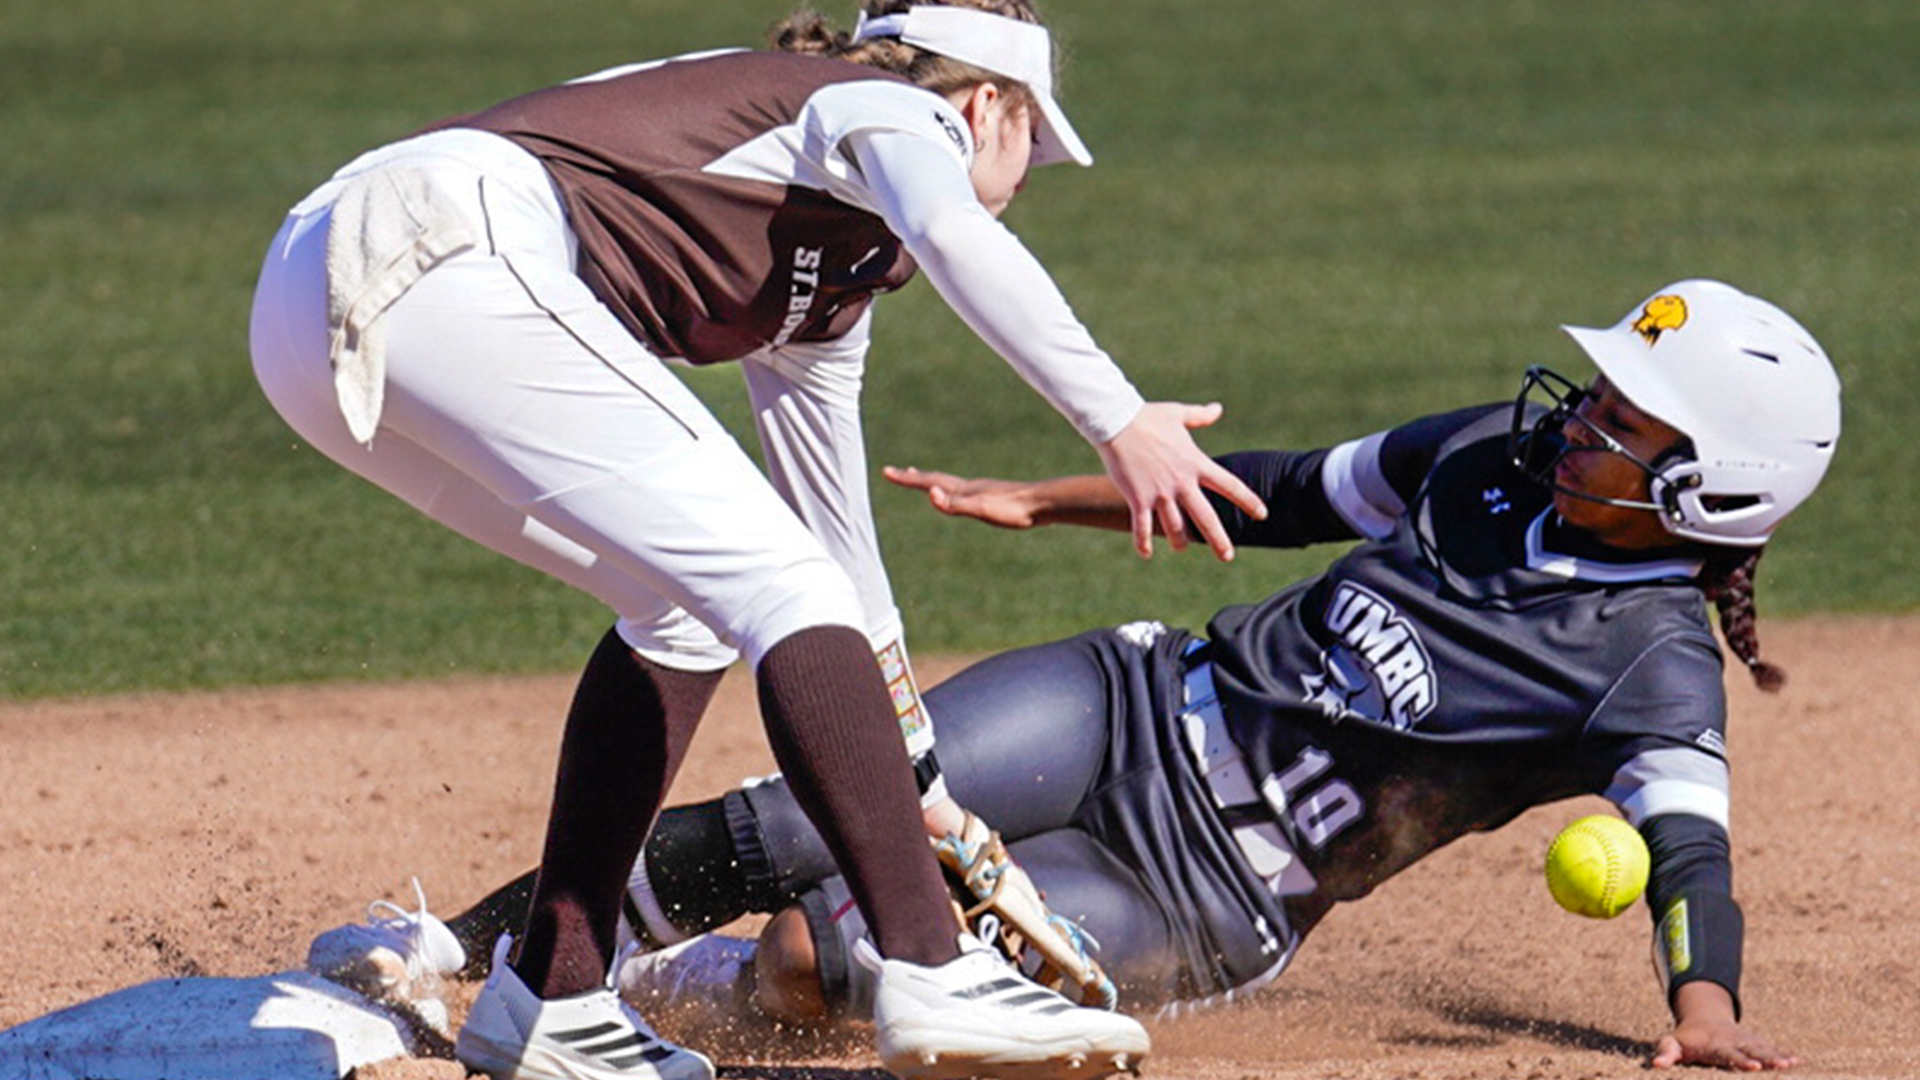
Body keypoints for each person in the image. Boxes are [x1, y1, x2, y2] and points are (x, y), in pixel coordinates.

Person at [368, 279, 1835, 1072]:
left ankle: (684, 987)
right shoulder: (1493, 454)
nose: (1581, 418)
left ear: (1706, 494)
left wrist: (1703, 1011)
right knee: (801, 809)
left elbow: (1687, 849)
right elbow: (1279, 492)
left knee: (825, 958)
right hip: (1133, 702)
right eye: (1601, 393)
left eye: (1630, 426)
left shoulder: (1650, 669)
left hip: (1215, 894)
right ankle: (453, 966)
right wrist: (1049, 495)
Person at [251, 2, 1266, 1078]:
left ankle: (553, 996)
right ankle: (934, 967)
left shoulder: (833, 278)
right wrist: (1117, 419)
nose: (1031, 169)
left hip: (333, 300)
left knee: (692, 604)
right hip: (430, 246)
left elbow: (838, 549)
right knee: (776, 580)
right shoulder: (887, 111)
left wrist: (918, 780)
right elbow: (957, 231)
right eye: (1032, 139)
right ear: (985, 106)